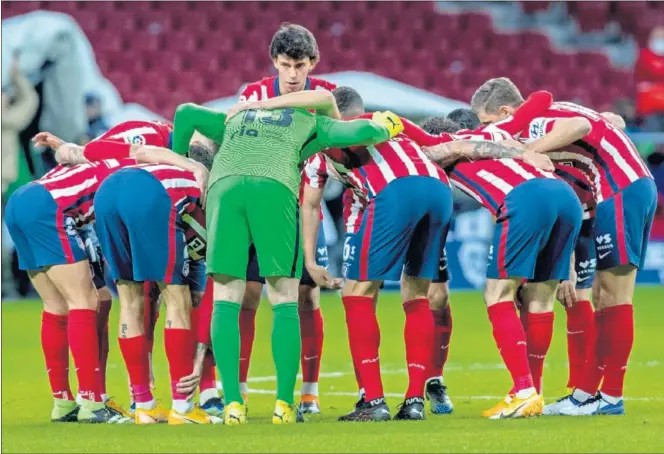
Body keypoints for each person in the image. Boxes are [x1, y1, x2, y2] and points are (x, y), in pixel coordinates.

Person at [171, 90, 403, 425]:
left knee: (225, 297)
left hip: (225, 187)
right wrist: (388, 123)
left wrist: (186, 166)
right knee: (283, 297)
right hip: (274, 186)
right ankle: (283, 404)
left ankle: (234, 405)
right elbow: (362, 132)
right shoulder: (311, 121)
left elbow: (185, 111)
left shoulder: (236, 115)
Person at [471, 77, 657, 416]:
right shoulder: (553, 115)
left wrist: (529, 151)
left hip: (619, 189)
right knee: (602, 295)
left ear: (505, 111)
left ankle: (610, 397)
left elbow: (581, 124)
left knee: (615, 296)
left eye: (487, 123)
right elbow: (612, 120)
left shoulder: (531, 125)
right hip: (625, 189)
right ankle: (587, 395)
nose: (489, 133)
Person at [422, 124, 582, 419]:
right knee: (539, 298)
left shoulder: (445, 144)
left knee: (498, 293)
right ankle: (533, 393)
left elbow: (445, 151)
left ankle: (523, 391)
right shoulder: (503, 136)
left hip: (526, 198)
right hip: (566, 196)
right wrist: (569, 264)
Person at [236, 22, 337, 414]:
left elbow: (319, 172)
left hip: (301, 204)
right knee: (246, 295)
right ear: (273, 62)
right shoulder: (252, 93)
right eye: (285, 65)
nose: (293, 75)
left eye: (300, 65)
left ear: (313, 63)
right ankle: (238, 390)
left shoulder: (322, 97)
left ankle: (309, 393)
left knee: (306, 297)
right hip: (256, 205)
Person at [93, 147, 219, 425]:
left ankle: (144, 405)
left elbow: (142, 151)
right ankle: (183, 409)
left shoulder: (170, 165)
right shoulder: (212, 189)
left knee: (129, 298)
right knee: (177, 297)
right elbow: (208, 287)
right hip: (151, 196)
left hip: (106, 194)